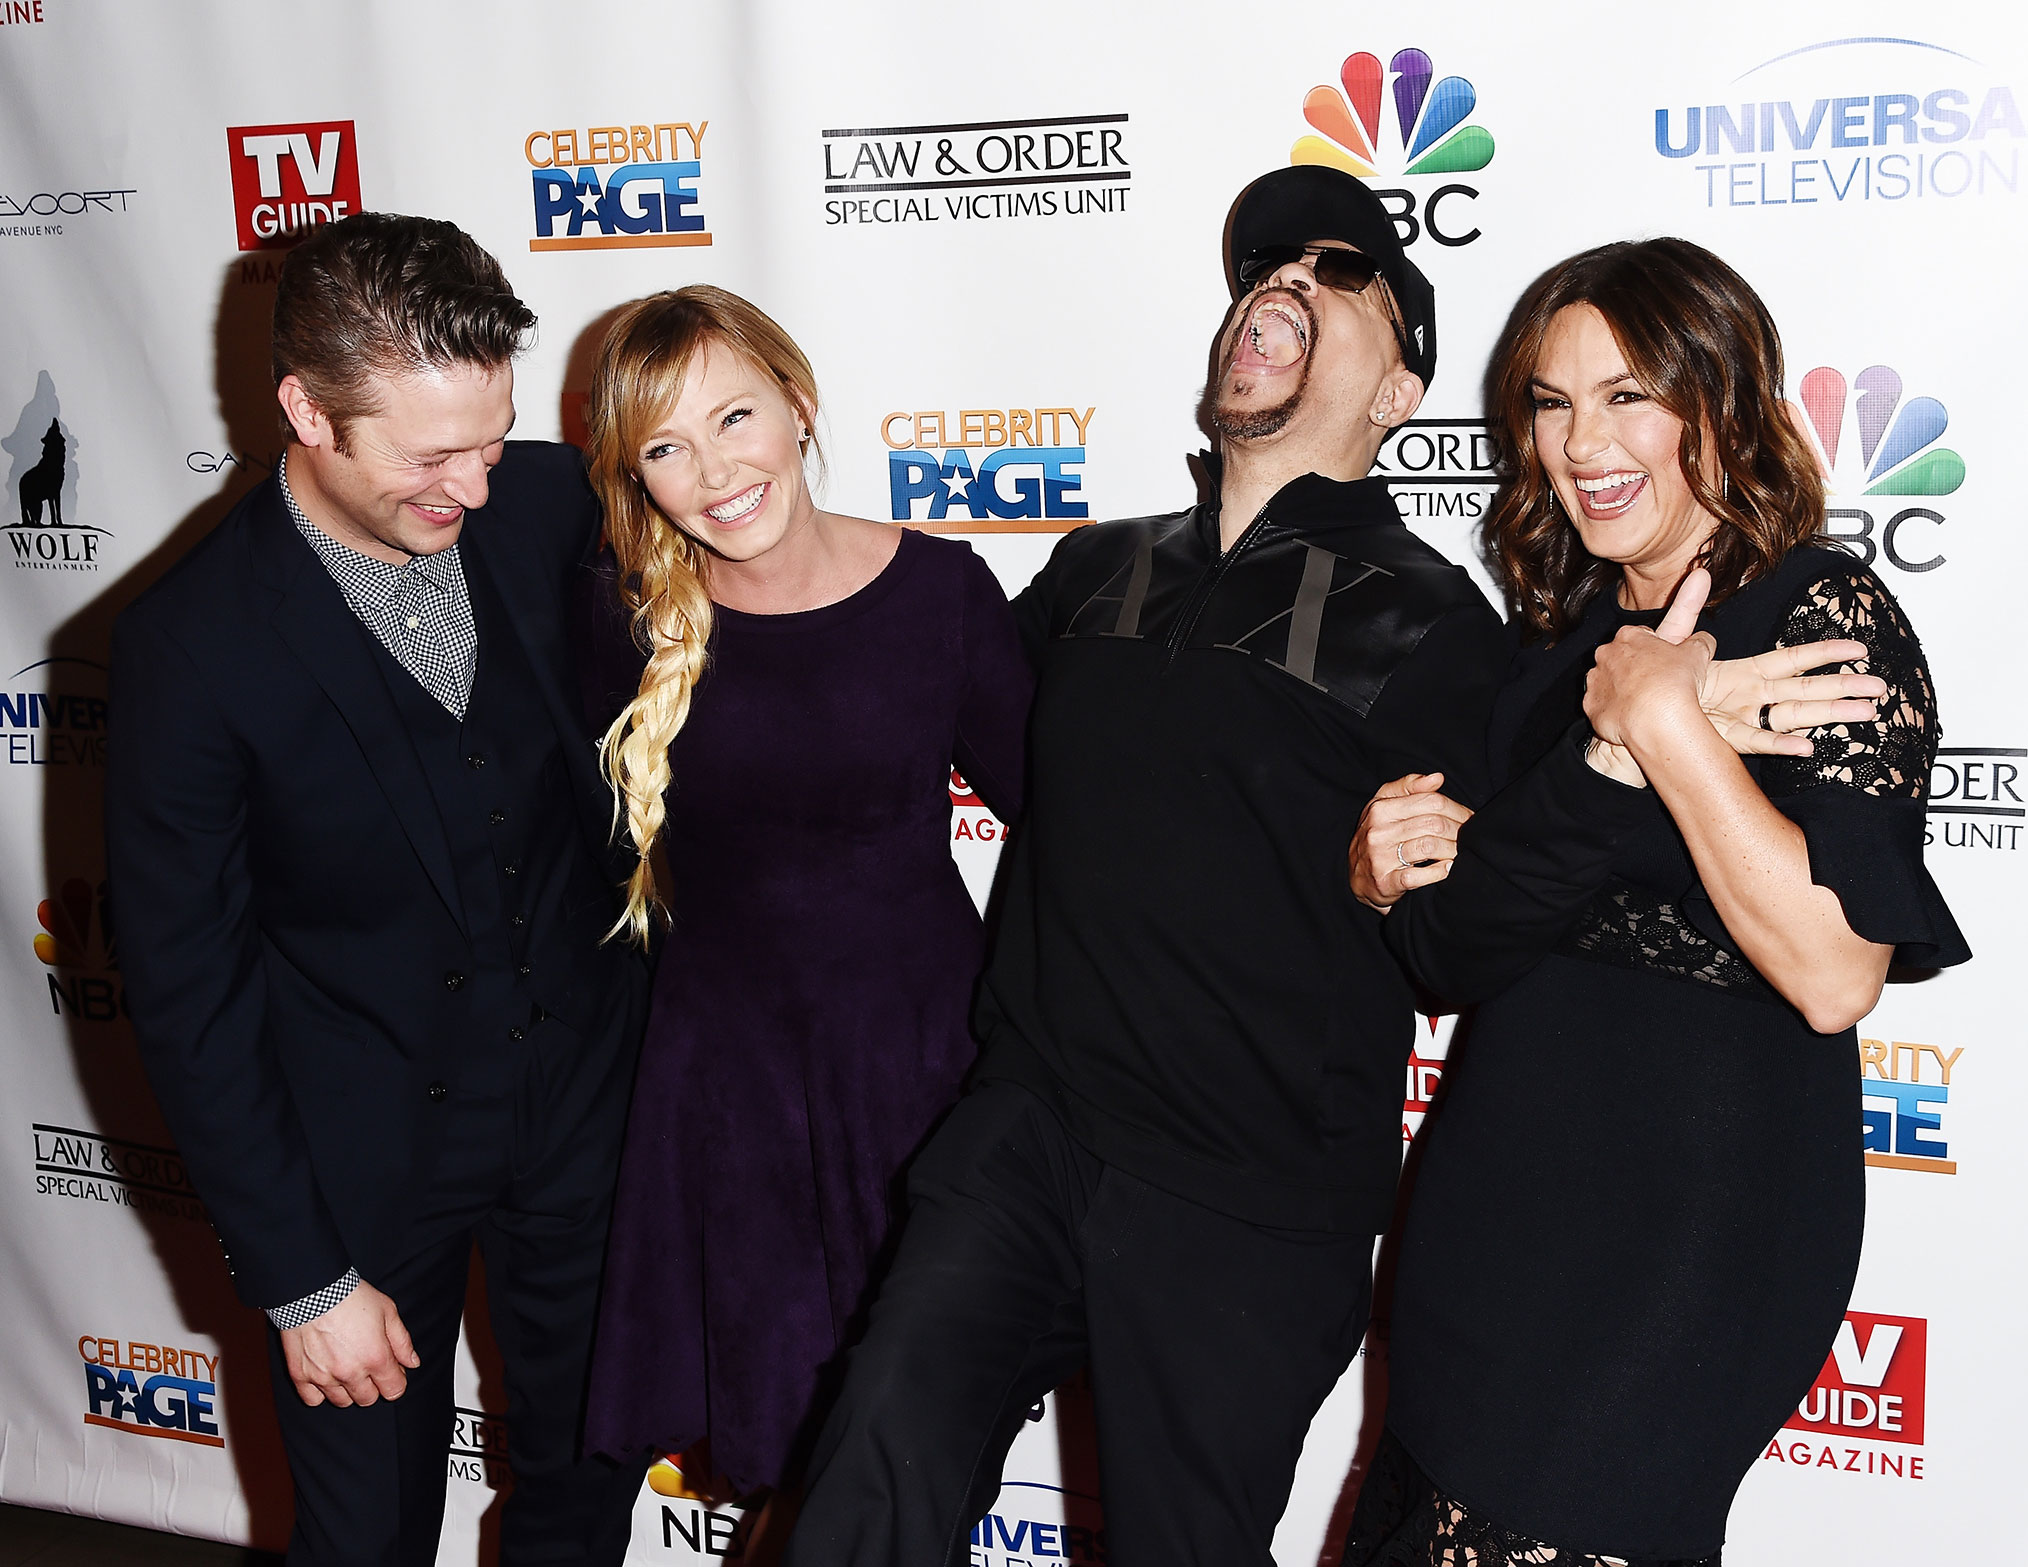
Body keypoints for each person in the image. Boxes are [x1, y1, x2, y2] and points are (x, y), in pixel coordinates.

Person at [1342, 238, 1970, 1567]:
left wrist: (1668, 724)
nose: (1582, 441)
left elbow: (1831, 968)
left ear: (1720, 400)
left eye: (1629, 394)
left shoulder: (1819, 608)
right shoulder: (1547, 661)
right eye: (1552, 403)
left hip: (1691, 1238)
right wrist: (1580, 757)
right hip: (1488, 1212)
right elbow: (1448, 947)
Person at [105, 213, 648, 1566]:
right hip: (356, 1165)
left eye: (492, 432)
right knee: (365, 1533)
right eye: (429, 453)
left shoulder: (548, 502)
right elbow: (188, 983)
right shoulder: (192, 644)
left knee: (587, 1489)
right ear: (307, 409)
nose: (476, 480)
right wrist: (300, 1279)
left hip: (587, 1114)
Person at [576, 288, 1033, 1543]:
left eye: (736, 416)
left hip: (919, 1076)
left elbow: (1063, 819)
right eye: (666, 446)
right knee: (787, 1449)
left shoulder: (940, 592)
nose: (715, 471)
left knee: (924, 1438)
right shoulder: (624, 624)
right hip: (729, 1097)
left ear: (800, 404)